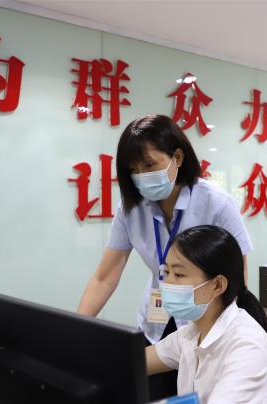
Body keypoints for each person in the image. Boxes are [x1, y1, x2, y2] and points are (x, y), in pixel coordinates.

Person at [77, 114, 253, 399]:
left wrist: (216, 336)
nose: (141, 176)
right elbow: (105, 276)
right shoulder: (131, 208)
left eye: (149, 165)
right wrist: (76, 331)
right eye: (133, 170)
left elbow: (236, 280)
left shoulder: (217, 203)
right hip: (157, 321)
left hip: (206, 322)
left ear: (177, 158)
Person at [145, 225, 267, 404]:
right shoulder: (193, 332)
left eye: (179, 274)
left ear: (217, 285)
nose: (167, 283)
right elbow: (135, 362)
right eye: (166, 272)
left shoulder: (247, 347)